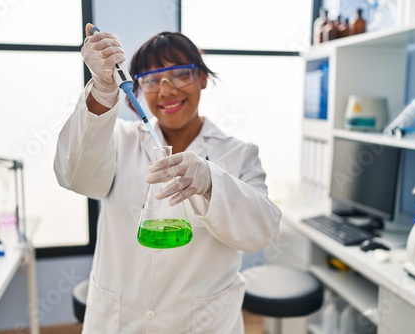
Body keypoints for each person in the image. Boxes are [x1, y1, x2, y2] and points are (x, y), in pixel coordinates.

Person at [54, 23, 282, 333]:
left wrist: (211, 181)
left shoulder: (239, 154)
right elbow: (74, 177)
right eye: (150, 80)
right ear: (138, 89)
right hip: (121, 322)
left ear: (202, 77)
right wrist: (102, 89)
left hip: (202, 324)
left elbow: (260, 231)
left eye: (180, 74)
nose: (166, 90)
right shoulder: (120, 140)